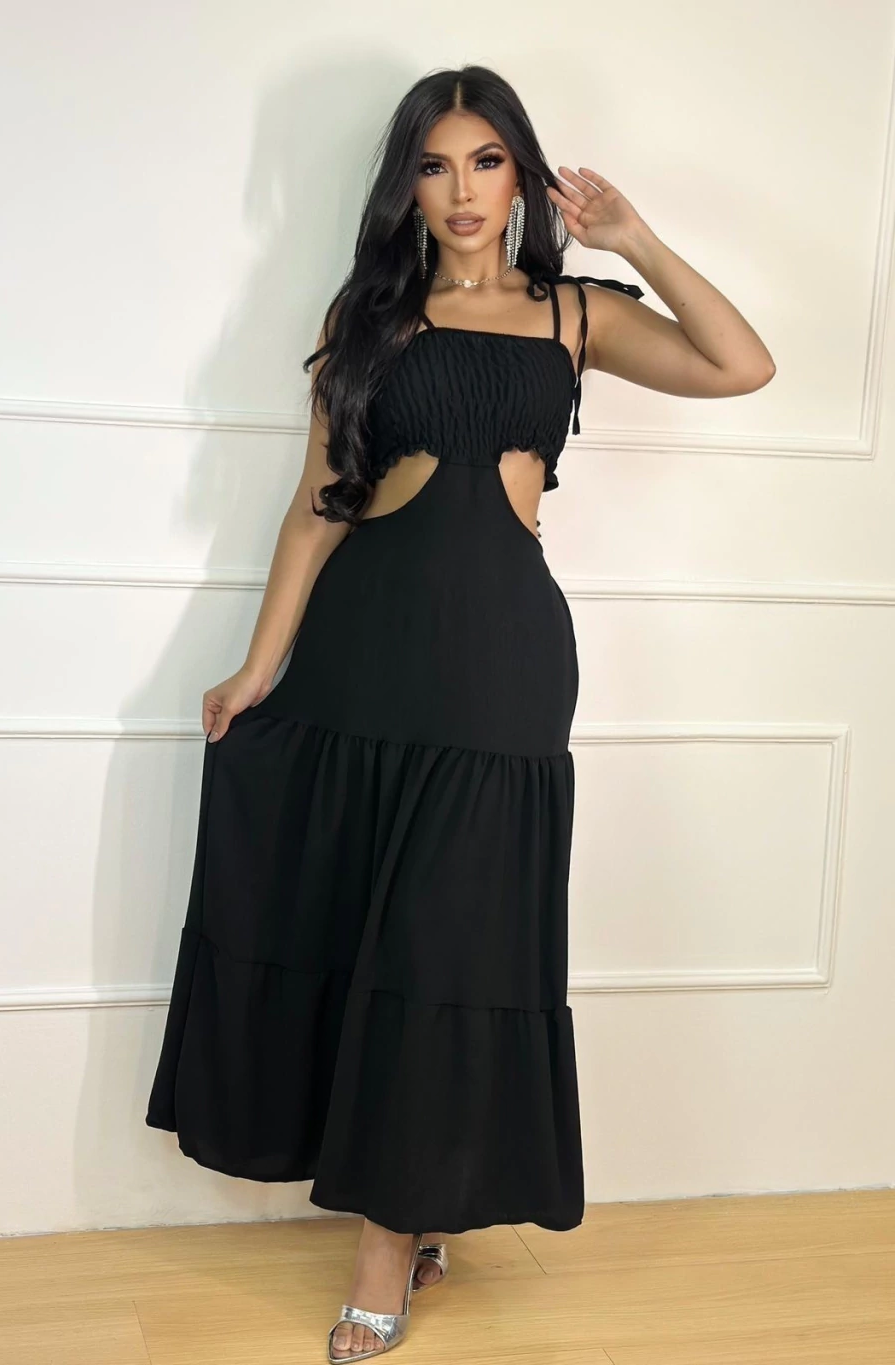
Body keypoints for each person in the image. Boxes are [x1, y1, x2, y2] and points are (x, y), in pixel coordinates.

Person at [145, 63, 776, 1361]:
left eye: (486, 161)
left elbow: (742, 365)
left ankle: (389, 1246)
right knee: (367, 938)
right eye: (434, 166)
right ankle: (409, 1219)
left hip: (502, 668)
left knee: (447, 954)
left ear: (523, 177)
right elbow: (318, 506)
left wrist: (635, 238)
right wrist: (258, 668)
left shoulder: (575, 316)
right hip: (363, 657)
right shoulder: (372, 318)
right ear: (407, 187)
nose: (463, 190)